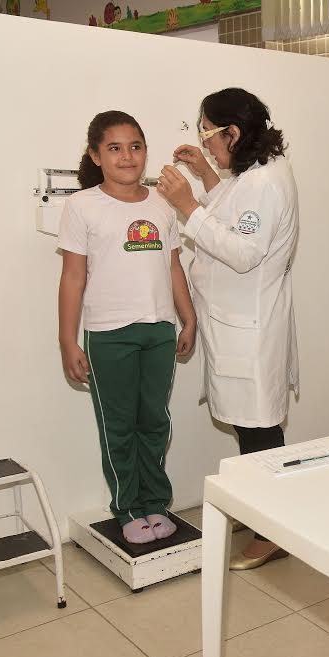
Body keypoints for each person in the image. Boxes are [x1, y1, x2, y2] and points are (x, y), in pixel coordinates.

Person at [155, 87, 299, 570]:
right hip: (237, 322)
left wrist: (187, 206)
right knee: (247, 426)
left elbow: (242, 251)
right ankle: (259, 510)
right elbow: (238, 216)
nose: (207, 142)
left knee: (258, 431)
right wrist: (205, 175)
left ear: (232, 133)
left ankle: (273, 529)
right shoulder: (253, 175)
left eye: (208, 134)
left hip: (248, 326)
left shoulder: (265, 182)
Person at [58, 110, 197, 544]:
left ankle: (156, 502)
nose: (127, 156)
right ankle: (129, 508)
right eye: (114, 148)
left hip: (158, 331)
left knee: (154, 421)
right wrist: (67, 340)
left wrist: (188, 317)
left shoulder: (163, 203)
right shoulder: (81, 206)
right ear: (95, 155)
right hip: (108, 334)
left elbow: (174, 266)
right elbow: (73, 278)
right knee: (118, 425)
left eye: (135, 146)